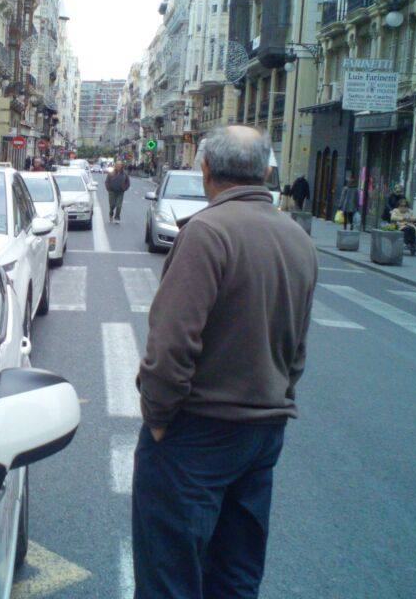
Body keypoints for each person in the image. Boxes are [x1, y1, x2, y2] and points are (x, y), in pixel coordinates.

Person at [132, 125, 317, 599]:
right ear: (267, 172)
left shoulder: (207, 232)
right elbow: (296, 348)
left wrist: (158, 418)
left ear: (206, 168)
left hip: (197, 432)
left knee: (170, 575)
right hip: (262, 433)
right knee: (236, 575)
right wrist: (277, 395)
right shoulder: (297, 238)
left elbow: (171, 345)